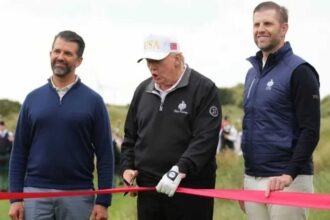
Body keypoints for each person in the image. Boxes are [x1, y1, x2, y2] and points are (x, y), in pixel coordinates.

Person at [8, 30, 114, 220]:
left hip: (78, 195)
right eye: (57, 51)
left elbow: (105, 154)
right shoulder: (32, 100)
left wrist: (103, 200)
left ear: (79, 61)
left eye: (68, 53)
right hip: (35, 194)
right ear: (50, 54)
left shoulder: (94, 102)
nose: (60, 57)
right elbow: (19, 152)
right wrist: (15, 197)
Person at [120, 34, 221, 220]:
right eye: (148, 61)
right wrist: (127, 167)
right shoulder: (142, 90)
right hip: (149, 191)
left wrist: (179, 170)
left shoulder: (204, 89)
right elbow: (130, 137)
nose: (152, 67)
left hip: (189, 189)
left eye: (157, 60)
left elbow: (205, 139)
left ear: (177, 59)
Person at [241, 2, 320, 220]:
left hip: (288, 180)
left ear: (283, 28)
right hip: (253, 178)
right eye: (256, 24)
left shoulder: (301, 71)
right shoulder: (252, 74)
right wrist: (245, 179)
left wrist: (289, 174)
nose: (260, 29)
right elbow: (251, 127)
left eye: (268, 23)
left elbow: (310, 130)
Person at [0, 120, 13, 191]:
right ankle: (1, 187)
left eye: (2, 125)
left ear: (4, 126)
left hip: (7, 155)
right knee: (1, 173)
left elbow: (12, 145)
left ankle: (7, 187)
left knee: (7, 172)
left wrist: (11, 140)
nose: (1, 127)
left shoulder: (9, 134)